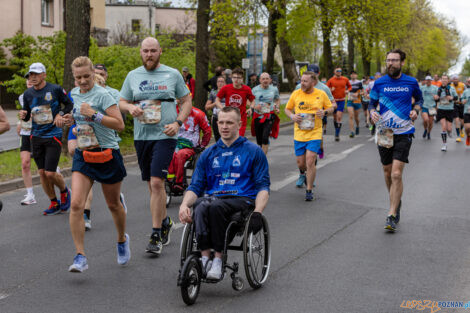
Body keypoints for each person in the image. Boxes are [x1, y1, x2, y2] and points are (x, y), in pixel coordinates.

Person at [119, 37, 192, 255]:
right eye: (145, 51)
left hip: (165, 135)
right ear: (140, 52)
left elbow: (187, 100)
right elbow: (121, 102)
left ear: (160, 51)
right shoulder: (133, 76)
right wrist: (130, 108)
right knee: (151, 186)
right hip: (142, 137)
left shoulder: (172, 74)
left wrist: (178, 123)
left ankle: (156, 234)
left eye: (153, 51)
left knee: (157, 183)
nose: (149, 54)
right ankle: (165, 222)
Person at [178, 106, 270, 280]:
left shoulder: (253, 151)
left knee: (213, 206)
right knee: (201, 204)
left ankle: (218, 260)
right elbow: (195, 186)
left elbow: (263, 186)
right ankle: (205, 257)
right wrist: (184, 204)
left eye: (229, 122)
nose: (224, 126)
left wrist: (258, 212)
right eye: (221, 122)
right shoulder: (209, 154)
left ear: (239, 124)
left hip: (241, 199)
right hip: (214, 199)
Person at [67, 56, 129, 273]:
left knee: (113, 205)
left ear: (93, 73)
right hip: (84, 154)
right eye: (78, 77)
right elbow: (74, 117)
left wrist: (94, 115)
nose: (83, 81)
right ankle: (80, 256)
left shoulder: (102, 95)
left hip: (107, 154)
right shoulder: (73, 94)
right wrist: (69, 123)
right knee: (76, 204)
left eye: (86, 76)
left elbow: (119, 124)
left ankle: (121, 239)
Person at [369, 49, 423, 232]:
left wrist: (416, 109)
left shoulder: (411, 82)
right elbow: (371, 103)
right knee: (386, 172)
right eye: (388, 60)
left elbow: (420, 100)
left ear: (402, 63)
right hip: (385, 131)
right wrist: (372, 112)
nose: (390, 63)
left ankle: (391, 214)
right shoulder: (379, 83)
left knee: (396, 174)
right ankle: (396, 201)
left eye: (394, 60)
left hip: (404, 131)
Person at [19, 62, 73, 215]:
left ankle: (64, 191)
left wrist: (60, 115)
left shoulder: (54, 89)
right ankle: (53, 202)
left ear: (44, 75)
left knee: (50, 173)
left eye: (36, 74)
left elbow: (68, 104)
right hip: (36, 136)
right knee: (42, 173)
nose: (33, 77)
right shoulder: (28, 94)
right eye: (31, 74)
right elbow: (27, 115)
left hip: (53, 135)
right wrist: (24, 116)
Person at [285, 71, 333, 201]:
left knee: (310, 160)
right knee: (301, 163)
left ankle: (309, 189)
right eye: (302, 80)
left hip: (315, 132)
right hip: (299, 133)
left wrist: (324, 112)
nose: (302, 83)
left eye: (305, 81)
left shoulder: (321, 94)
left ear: (313, 82)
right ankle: (303, 173)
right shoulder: (296, 94)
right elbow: (287, 109)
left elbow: (331, 107)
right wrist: (292, 116)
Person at [167, 105, 211, 191]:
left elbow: (207, 131)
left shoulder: (199, 114)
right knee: (168, 153)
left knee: (180, 154)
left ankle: (179, 183)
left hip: (190, 146)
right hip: (174, 142)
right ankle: (169, 179)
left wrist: (202, 146)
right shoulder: (172, 111)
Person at [215, 67, 255, 137]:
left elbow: (253, 101)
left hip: (241, 119)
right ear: (231, 78)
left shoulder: (246, 89)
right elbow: (217, 100)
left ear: (242, 79)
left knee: (238, 139)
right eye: (234, 77)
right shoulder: (226, 88)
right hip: (228, 118)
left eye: (239, 78)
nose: (236, 80)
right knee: (229, 139)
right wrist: (222, 108)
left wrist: (250, 108)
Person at [17, 78, 36, 205]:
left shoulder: (44, 94)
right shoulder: (22, 97)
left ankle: (63, 190)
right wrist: (20, 122)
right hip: (26, 133)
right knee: (25, 163)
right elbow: (25, 113)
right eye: (27, 79)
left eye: (32, 78)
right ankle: (30, 194)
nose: (29, 80)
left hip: (40, 133)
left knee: (47, 170)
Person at [251, 72, 280, 155]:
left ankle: (263, 159)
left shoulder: (274, 89)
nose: (265, 80)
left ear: (270, 80)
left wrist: (277, 107)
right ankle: (262, 149)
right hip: (258, 116)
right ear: (260, 80)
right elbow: (248, 101)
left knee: (265, 137)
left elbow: (277, 99)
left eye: (267, 78)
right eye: (263, 79)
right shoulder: (255, 90)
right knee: (259, 140)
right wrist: (254, 107)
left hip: (269, 116)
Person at [327, 67, 352, 141]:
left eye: (340, 71)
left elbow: (350, 87)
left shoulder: (345, 79)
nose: (339, 72)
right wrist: (330, 90)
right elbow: (326, 89)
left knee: (339, 117)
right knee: (335, 118)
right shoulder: (331, 80)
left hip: (341, 100)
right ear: (334, 71)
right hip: (333, 101)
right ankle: (336, 128)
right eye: (337, 71)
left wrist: (347, 90)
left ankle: (337, 134)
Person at [435, 75, 458, 151]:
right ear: (441, 80)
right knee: (444, 127)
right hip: (441, 109)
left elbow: (456, 97)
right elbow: (436, 99)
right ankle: (444, 144)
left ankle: (449, 131)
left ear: (448, 80)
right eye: (443, 79)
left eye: (445, 79)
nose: (444, 80)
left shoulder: (451, 88)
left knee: (449, 128)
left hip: (450, 110)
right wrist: (436, 98)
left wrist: (451, 98)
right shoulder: (439, 89)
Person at [205, 76, 226, 141]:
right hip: (216, 117)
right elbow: (206, 107)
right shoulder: (213, 93)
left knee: (226, 138)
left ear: (225, 83)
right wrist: (216, 103)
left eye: (222, 81)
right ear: (216, 83)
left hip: (226, 118)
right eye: (218, 81)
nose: (220, 83)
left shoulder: (228, 92)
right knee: (217, 139)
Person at [346, 71, 363, 138]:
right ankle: (352, 131)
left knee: (356, 117)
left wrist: (357, 94)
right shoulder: (348, 82)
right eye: (352, 74)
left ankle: (357, 126)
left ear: (356, 75)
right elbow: (345, 90)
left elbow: (362, 92)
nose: (353, 75)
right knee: (351, 116)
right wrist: (346, 92)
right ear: (350, 75)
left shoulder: (359, 82)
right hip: (350, 101)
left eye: (354, 74)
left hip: (357, 101)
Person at [450, 75, 466, 142]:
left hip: (462, 104)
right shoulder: (450, 86)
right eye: (454, 79)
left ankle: (461, 129)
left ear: (458, 80)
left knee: (462, 121)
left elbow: (467, 91)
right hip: (454, 104)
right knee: (456, 119)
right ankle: (458, 136)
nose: (455, 80)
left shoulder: (462, 85)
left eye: (456, 79)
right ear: (452, 80)